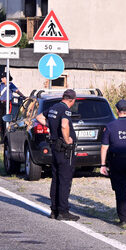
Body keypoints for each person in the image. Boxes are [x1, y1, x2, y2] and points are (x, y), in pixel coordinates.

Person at [35, 89, 79, 221]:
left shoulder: (54, 107)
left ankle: (54, 210)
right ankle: (63, 211)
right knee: (65, 180)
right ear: (72, 100)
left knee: (56, 179)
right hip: (65, 148)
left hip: (54, 147)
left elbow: (39, 117)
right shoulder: (65, 109)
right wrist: (67, 139)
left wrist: (52, 126)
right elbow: (65, 125)